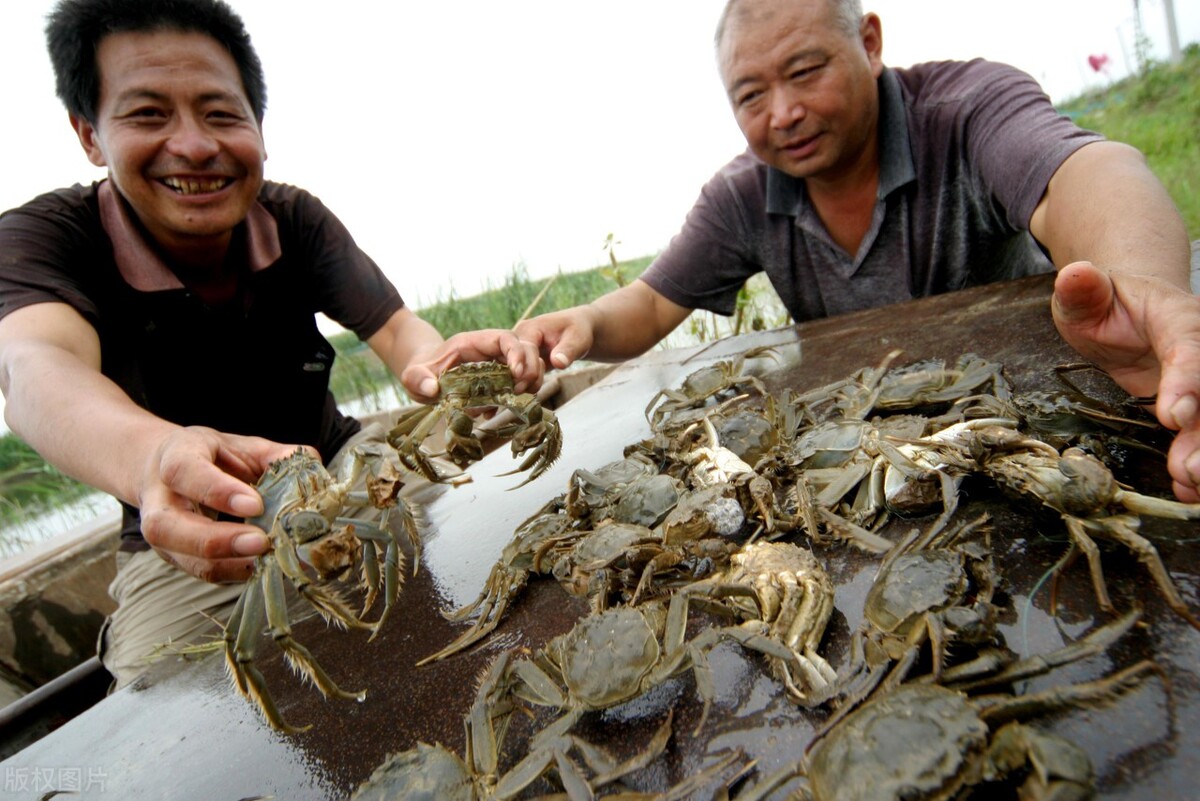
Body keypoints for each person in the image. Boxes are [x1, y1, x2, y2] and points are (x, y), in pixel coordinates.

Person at [442, 0, 1200, 503]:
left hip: (1025, 422)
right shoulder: (744, 194)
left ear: (868, 42)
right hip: (869, 452)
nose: (784, 114)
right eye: (750, 95)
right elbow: (643, 305)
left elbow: (1088, 173)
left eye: (805, 71)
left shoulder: (966, 110)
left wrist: (1137, 288)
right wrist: (571, 327)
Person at [0, 0, 537, 687]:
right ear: (90, 135)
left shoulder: (293, 218)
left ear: (259, 126)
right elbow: (35, 368)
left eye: (221, 114)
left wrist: (441, 371)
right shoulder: (46, 239)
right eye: (148, 114)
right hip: (190, 539)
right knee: (164, 692)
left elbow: (400, 331)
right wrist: (156, 458)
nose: (194, 146)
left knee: (492, 542)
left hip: (341, 477)